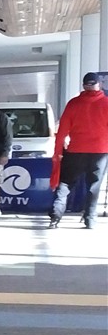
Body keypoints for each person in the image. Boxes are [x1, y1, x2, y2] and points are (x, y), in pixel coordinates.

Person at [49, 72, 108, 230]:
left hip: (76, 150)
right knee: (94, 186)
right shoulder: (106, 103)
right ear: (99, 84)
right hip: (100, 152)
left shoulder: (74, 104)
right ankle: (90, 219)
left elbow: (62, 130)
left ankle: (56, 214)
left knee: (66, 183)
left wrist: (57, 152)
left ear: (84, 86)